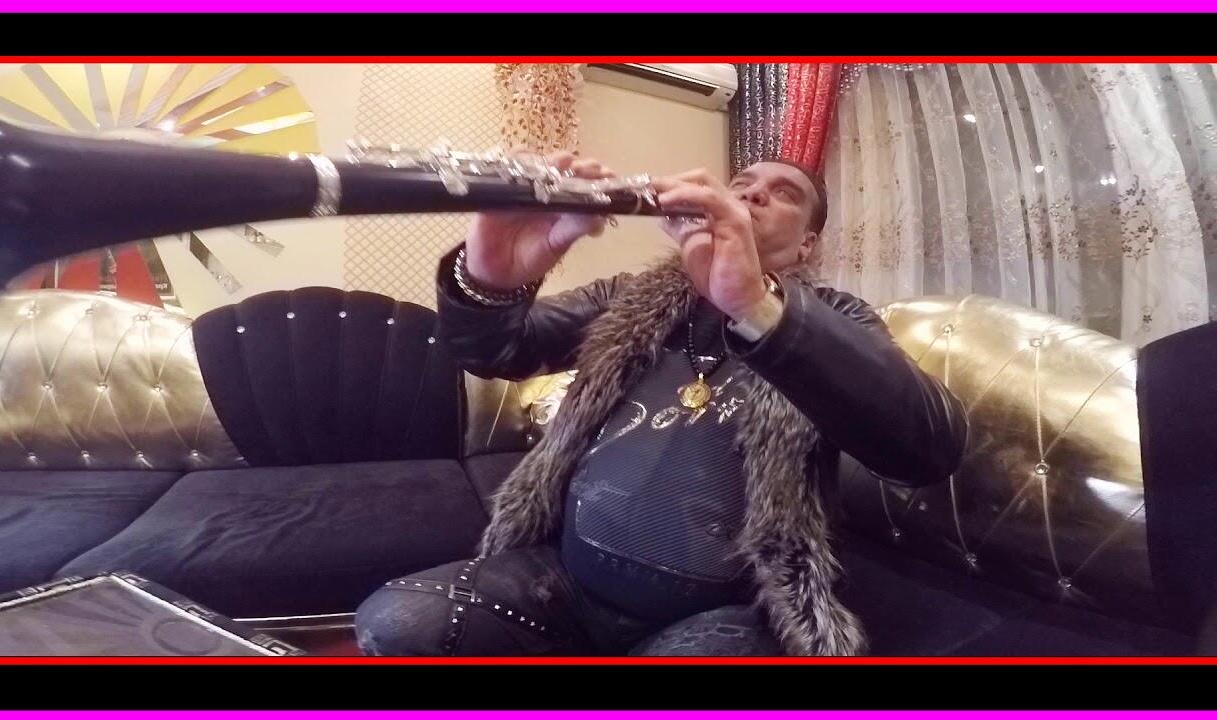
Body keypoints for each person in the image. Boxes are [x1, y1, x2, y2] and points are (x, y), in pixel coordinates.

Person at [354, 152, 969, 656]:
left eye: (783, 193)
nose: (754, 192)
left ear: (807, 244)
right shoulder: (631, 294)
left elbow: (928, 448)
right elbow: (498, 351)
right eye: (743, 183)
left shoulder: (833, 320)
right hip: (565, 583)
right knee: (395, 621)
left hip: (726, 613)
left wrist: (755, 306)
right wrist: (491, 279)